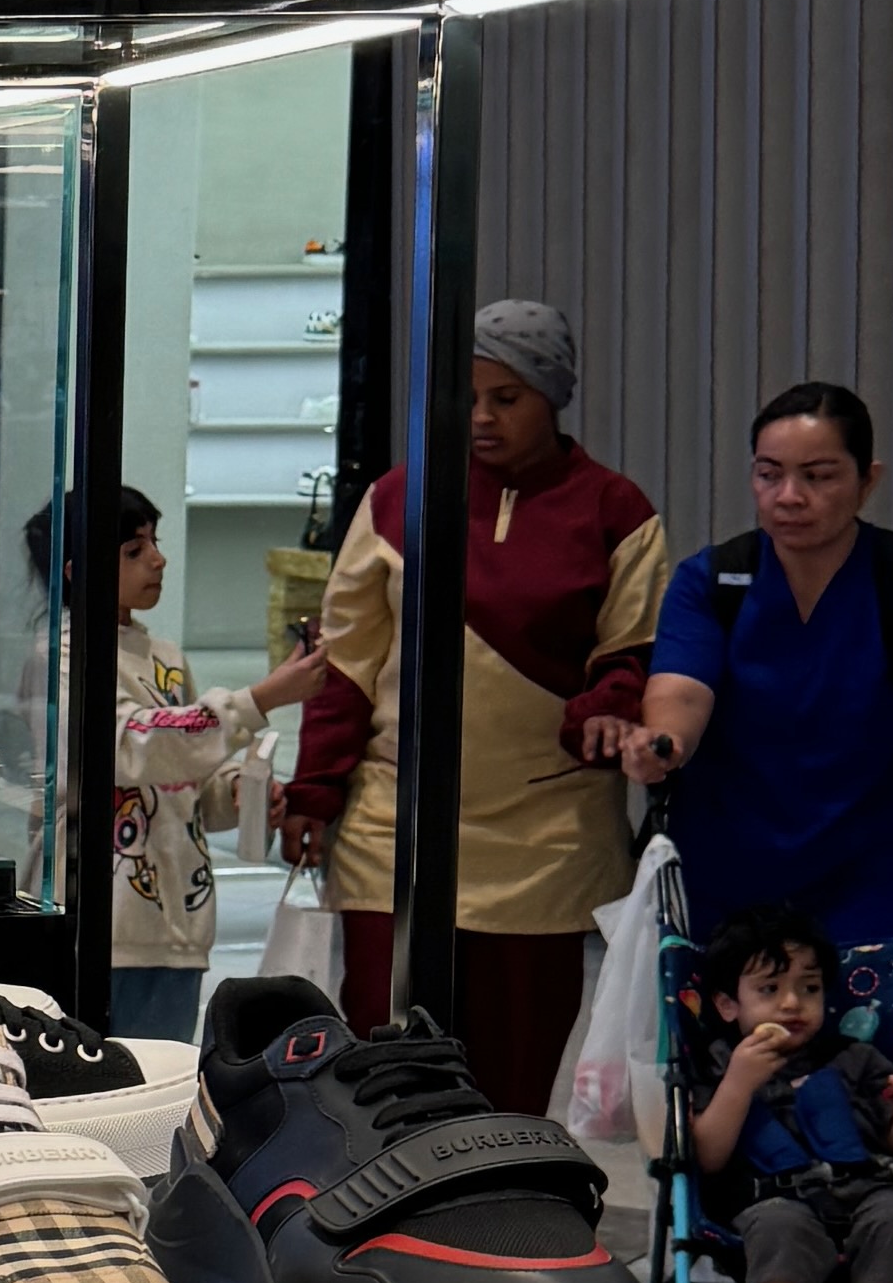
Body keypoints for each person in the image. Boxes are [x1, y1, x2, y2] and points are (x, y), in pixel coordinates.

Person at [280, 296, 669, 1117]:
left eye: (507, 397)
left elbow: (631, 650)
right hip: (395, 820)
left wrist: (605, 707)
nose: (482, 417)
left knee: (513, 1077)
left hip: (548, 829)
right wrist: (314, 789)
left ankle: (504, 1194)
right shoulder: (396, 500)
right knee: (383, 1064)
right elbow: (346, 666)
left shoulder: (615, 511)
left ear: (552, 396)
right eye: (467, 397)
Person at [613, 379, 893, 968]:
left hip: (871, 870)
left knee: (860, 1025)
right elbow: (680, 694)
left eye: (818, 476)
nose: (789, 496)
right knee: (730, 1022)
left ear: (868, 480)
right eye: (769, 474)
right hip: (725, 870)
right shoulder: (712, 579)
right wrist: (660, 744)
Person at [19, 486, 328, 1040]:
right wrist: (259, 700)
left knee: (169, 1075)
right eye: (134, 550)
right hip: (100, 924)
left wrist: (236, 792)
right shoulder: (60, 655)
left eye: (155, 543)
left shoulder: (165, 656)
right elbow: (129, 745)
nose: (158, 560)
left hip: (178, 927)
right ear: (77, 571)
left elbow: (185, 776)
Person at [684, 898, 893, 1283]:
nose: (792, 1004)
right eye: (769, 989)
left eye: (810, 988)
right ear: (728, 1005)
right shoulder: (718, 1064)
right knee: (780, 1226)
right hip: (768, 1198)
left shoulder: (854, 1058)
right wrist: (738, 1084)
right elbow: (707, 1158)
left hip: (866, 1187)